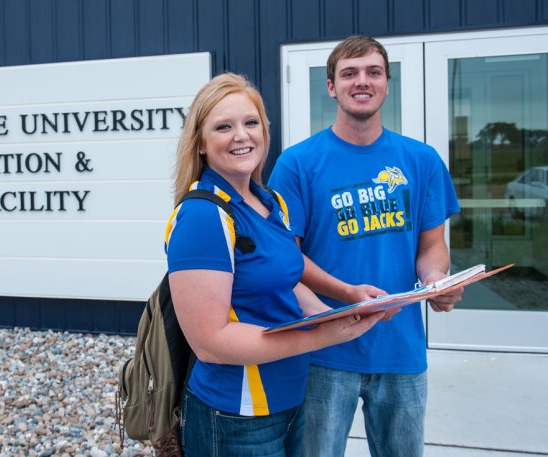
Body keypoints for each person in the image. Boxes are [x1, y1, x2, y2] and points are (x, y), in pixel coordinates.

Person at [166, 72, 385, 457]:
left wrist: (337, 309)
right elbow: (211, 343)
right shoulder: (202, 216)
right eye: (223, 126)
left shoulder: (270, 202)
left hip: (291, 397)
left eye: (251, 123)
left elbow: (285, 274)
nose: (241, 135)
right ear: (200, 143)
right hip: (237, 414)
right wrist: (324, 336)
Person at [267, 35, 463, 457]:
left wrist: (436, 280)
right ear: (331, 86)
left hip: (400, 350)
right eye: (349, 73)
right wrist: (346, 297)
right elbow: (284, 258)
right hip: (323, 349)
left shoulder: (421, 159)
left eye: (374, 72)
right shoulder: (297, 163)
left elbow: (432, 246)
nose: (363, 81)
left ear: (387, 83)